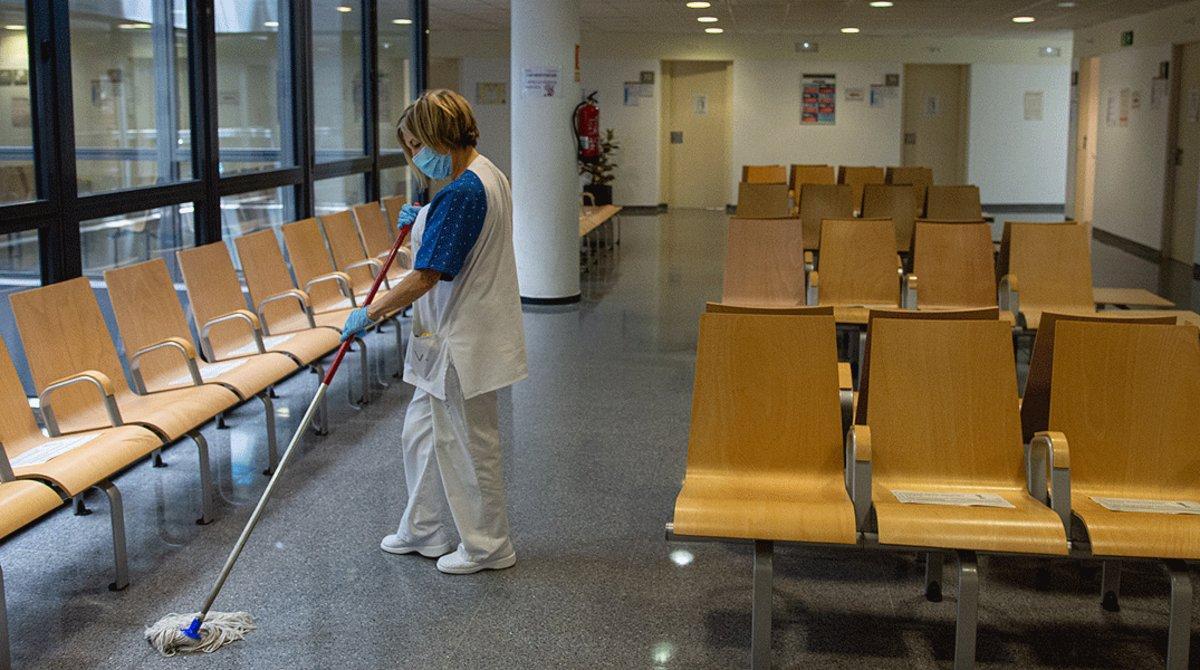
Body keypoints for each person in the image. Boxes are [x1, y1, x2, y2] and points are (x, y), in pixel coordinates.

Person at [340, 89, 527, 575]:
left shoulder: (466, 190)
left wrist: (372, 312)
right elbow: (452, 235)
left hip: (462, 342)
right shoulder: (482, 174)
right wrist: (424, 217)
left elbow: (428, 274)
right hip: (445, 339)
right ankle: (423, 528)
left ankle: (489, 546)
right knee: (421, 433)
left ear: (439, 136)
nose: (413, 156)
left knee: (467, 445)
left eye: (415, 144)